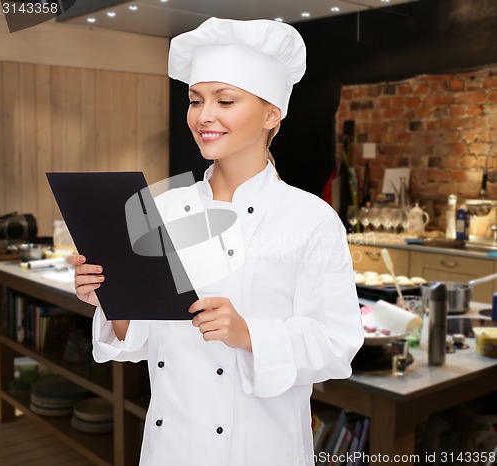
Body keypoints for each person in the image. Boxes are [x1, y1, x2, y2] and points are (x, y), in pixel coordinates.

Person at [68, 17, 363, 466]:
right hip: (171, 448)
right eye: (195, 100)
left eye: (225, 100)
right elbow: (140, 341)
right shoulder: (162, 209)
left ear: (271, 113)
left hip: (262, 448)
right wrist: (110, 294)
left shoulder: (311, 220)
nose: (204, 116)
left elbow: (337, 345)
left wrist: (248, 334)